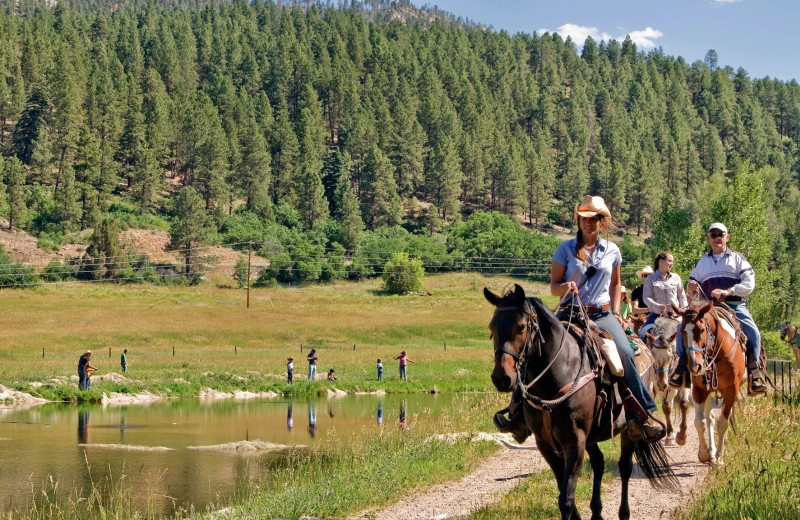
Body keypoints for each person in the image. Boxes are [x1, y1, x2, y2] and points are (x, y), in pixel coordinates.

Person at [550, 195, 664, 442]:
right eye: (584, 219)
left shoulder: (612, 250)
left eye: (594, 219)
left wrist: (615, 312)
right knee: (538, 347)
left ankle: (642, 412)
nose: (588, 223)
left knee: (623, 352)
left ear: (602, 222)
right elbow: (553, 286)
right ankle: (518, 413)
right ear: (578, 220)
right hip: (570, 312)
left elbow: (615, 283)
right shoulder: (564, 249)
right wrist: (565, 287)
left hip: (601, 314)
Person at [670, 223, 766, 394]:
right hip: (708, 309)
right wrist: (691, 286)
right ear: (709, 238)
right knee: (681, 328)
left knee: (753, 332)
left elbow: (749, 283)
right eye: (713, 235)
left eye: (720, 234)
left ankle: (754, 373)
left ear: (727, 237)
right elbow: (693, 286)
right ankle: (682, 368)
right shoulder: (702, 262)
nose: (716, 238)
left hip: (734, 305)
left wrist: (728, 291)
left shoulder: (738, 258)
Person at [638, 252, 687, 340]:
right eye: (669, 261)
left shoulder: (676, 277)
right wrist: (657, 306)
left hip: (676, 316)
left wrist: (684, 311)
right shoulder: (650, 279)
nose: (672, 264)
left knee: (689, 335)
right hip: (657, 316)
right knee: (642, 334)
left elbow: (682, 296)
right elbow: (646, 297)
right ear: (661, 262)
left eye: (672, 262)